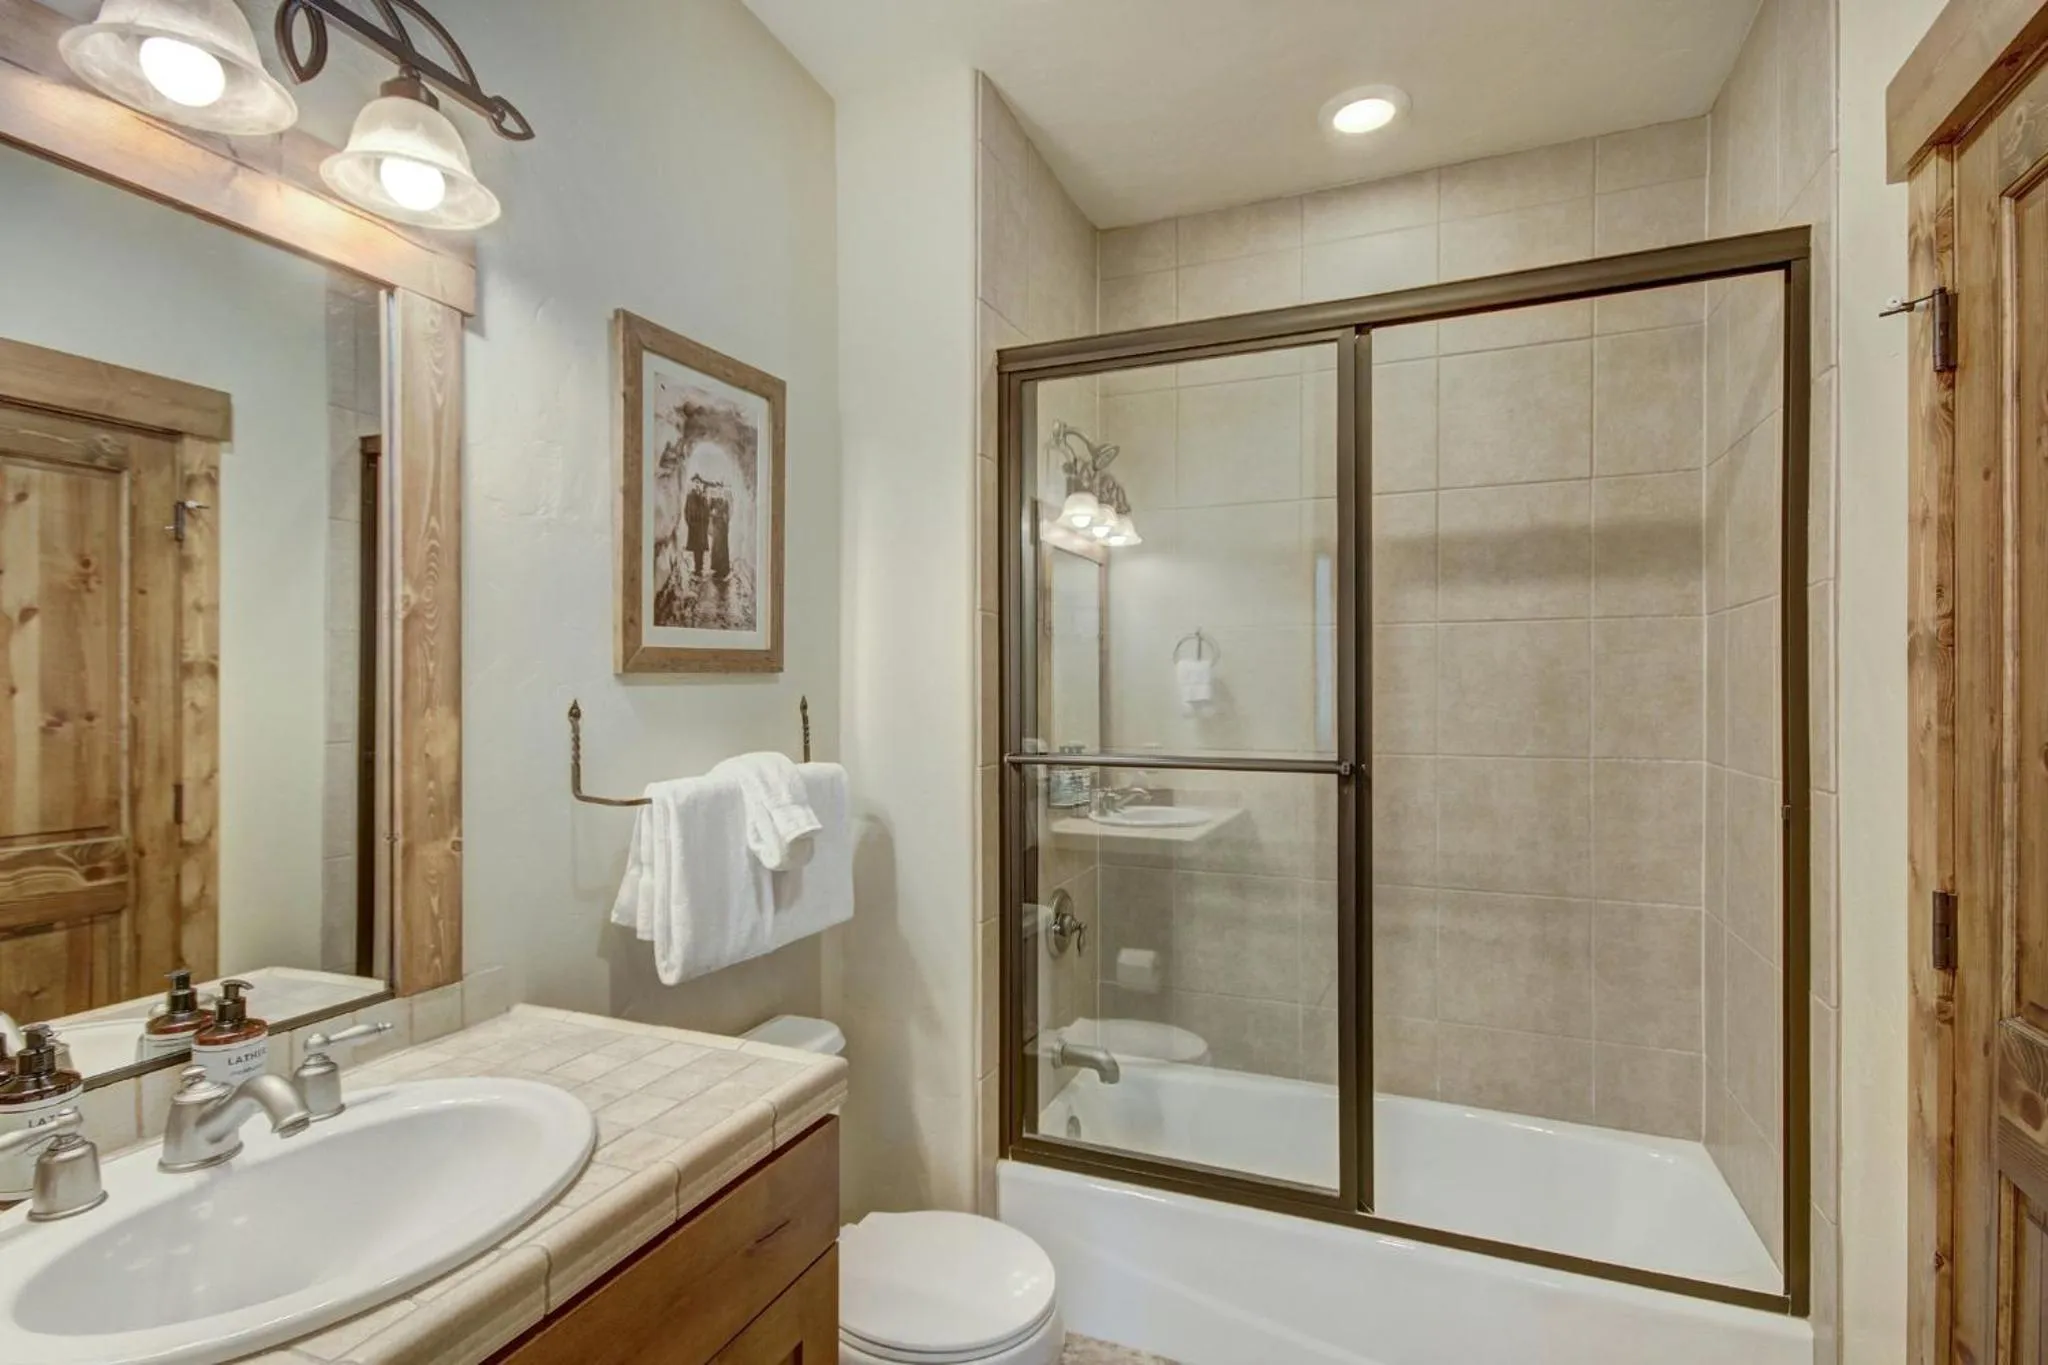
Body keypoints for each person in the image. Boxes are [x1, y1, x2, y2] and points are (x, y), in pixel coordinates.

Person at [682, 476, 710, 577]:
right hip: (694, 527)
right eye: (696, 482)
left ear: (701, 484)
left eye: (699, 483)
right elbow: (686, 510)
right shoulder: (690, 496)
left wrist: (706, 523)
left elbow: (707, 511)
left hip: (702, 527)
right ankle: (697, 568)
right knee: (695, 548)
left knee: (701, 548)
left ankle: (700, 568)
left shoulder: (703, 496)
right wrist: (689, 522)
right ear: (693, 484)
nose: (697, 484)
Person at [709, 484, 733, 581]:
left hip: (723, 527)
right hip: (716, 527)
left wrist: (726, 518)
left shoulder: (725, 502)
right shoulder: (713, 501)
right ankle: (717, 569)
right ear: (716, 490)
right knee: (717, 547)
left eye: (721, 489)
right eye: (718, 489)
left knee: (723, 548)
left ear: (722, 490)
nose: (719, 491)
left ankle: (724, 570)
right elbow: (709, 511)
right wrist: (713, 513)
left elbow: (728, 514)